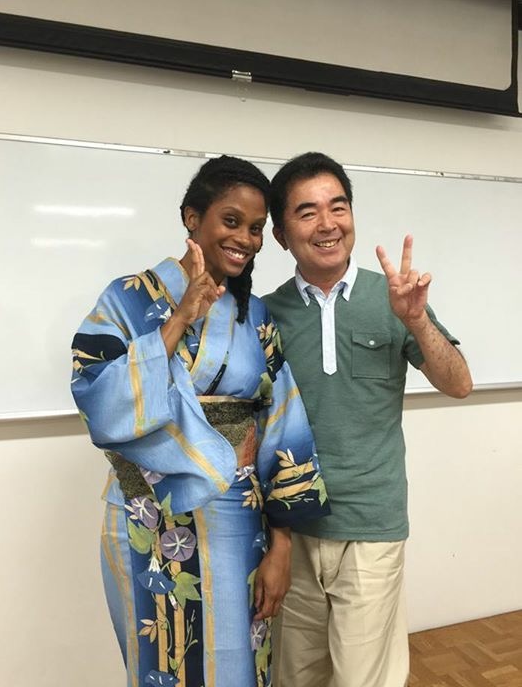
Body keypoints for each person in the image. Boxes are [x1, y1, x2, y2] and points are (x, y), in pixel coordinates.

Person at [70, 156, 329, 687]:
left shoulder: (255, 316)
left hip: (236, 518)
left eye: (255, 228)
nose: (246, 239)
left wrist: (281, 545)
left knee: (238, 663)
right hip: (146, 517)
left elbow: (283, 424)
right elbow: (97, 396)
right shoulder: (127, 299)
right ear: (192, 217)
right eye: (231, 221)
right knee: (161, 661)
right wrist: (181, 317)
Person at [262, 152, 473, 687]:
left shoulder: (394, 298)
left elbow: (459, 383)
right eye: (307, 212)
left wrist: (417, 321)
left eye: (338, 207)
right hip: (291, 528)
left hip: (372, 524)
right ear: (281, 234)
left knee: (365, 680)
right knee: (295, 677)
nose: (327, 223)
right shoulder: (265, 314)